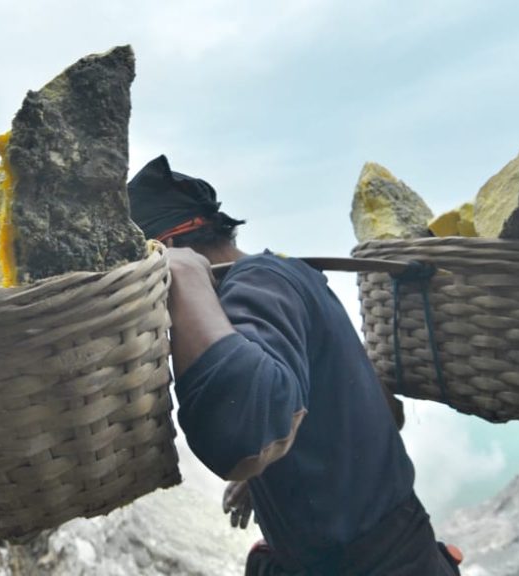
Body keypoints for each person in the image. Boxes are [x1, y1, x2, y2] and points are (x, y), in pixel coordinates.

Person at [128, 155, 461, 575]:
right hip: (396, 546)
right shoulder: (293, 276)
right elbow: (379, 410)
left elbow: (240, 440)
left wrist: (184, 280)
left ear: (170, 248)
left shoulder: (258, 283)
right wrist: (275, 466)